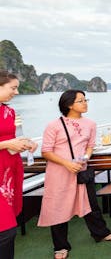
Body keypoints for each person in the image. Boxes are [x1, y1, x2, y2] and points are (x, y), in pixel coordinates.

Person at [38, 90, 111, 259]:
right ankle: (60, 246)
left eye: (85, 100)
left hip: (80, 170)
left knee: (90, 204)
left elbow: (90, 145)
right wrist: (67, 163)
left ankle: (101, 233)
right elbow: (46, 151)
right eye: (80, 101)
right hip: (59, 172)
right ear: (69, 105)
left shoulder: (90, 123)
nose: (85, 103)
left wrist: (84, 159)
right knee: (58, 207)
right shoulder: (54, 125)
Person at [0, 71, 38, 259]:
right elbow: (6, 142)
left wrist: (26, 142)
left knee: (8, 229)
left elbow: (10, 138)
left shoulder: (9, 112)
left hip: (9, 171)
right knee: (6, 231)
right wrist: (7, 144)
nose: (16, 92)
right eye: (13, 88)